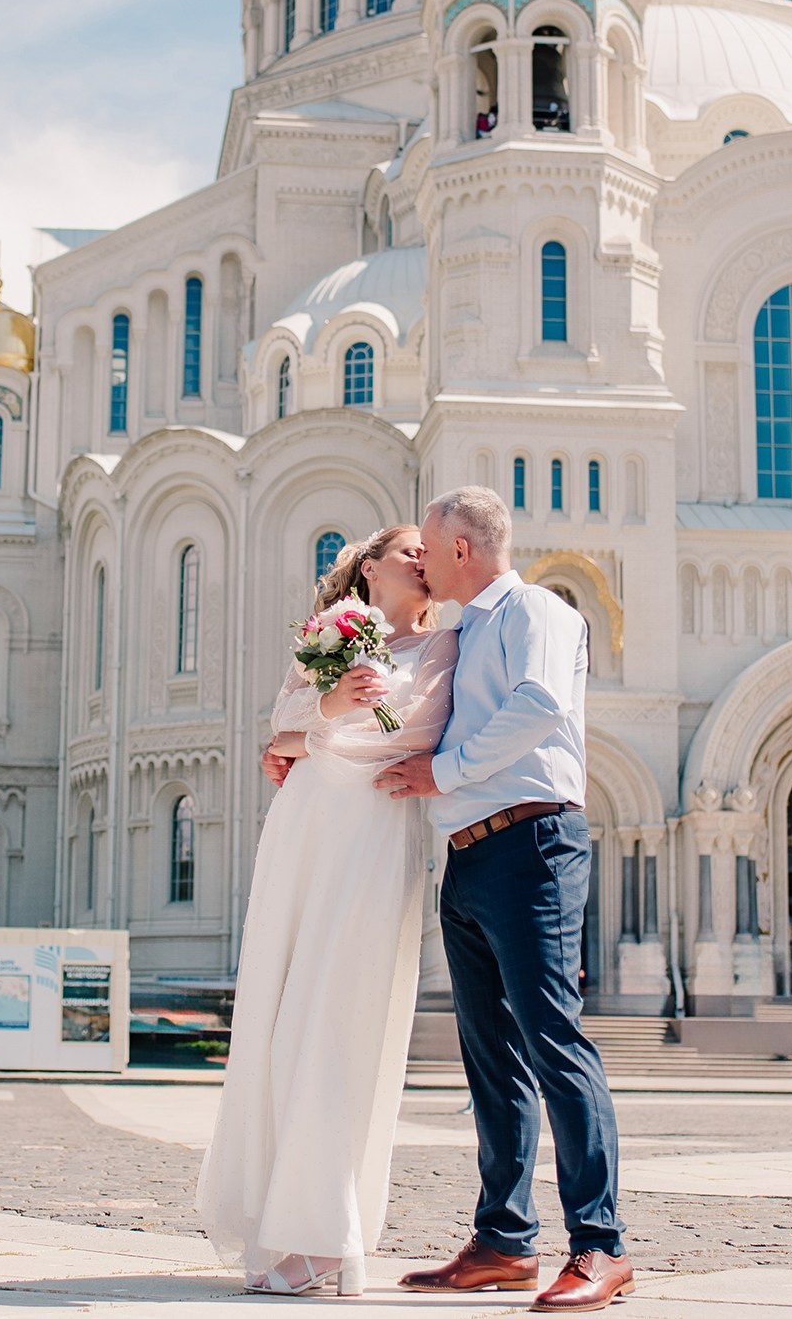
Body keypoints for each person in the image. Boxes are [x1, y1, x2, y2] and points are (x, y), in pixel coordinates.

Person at [371, 486, 631, 1310]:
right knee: (490, 1056)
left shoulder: (537, 613)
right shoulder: (461, 630)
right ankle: (504, 1239)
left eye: (428, 547)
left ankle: (600, 1244)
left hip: (533, 846)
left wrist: (442, 774)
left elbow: (540, 705)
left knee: (555, 1040)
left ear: (461, 550)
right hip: (470, 859)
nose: (419, 559)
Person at [197, 526, 457, 1297]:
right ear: (370, 565)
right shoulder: (327, 636)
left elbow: (416, 736)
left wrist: (320, 733)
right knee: (281, 1021)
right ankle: (279, 1222)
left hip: (372, 827)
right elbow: (276, 730)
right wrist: (324, 712)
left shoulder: (444, 647)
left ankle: (326, 1234)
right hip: (305, 828)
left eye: (430, 549)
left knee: (340, 1018)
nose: (422, 554)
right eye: (408, 546)